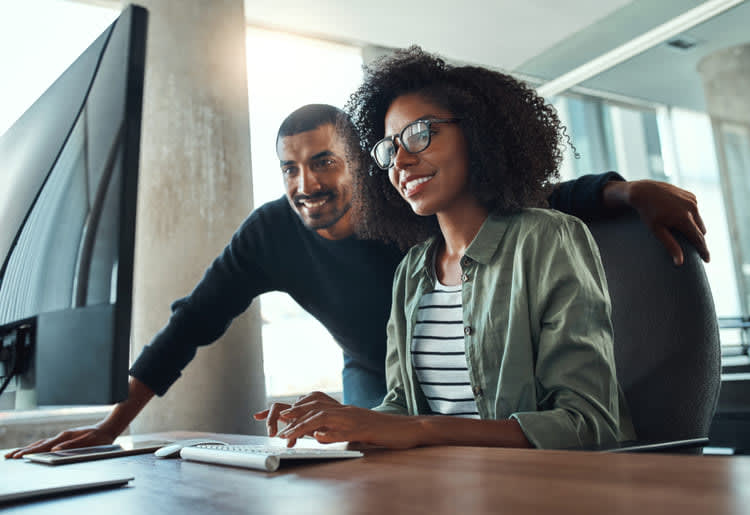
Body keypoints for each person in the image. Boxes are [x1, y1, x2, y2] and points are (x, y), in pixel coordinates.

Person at [6, 95, 703, 457]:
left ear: (358, 164)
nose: (306, 183)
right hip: (379, 374)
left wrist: (625, 189)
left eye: (324, 162)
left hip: (478, 373)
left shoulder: (406, 200)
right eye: (290, 168)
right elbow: (189, 324)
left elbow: (531, 199)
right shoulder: (270, 233)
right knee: (360, 469)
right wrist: (112, 424)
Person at [255, 47, 637, 450]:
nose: (400, 160)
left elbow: (589, 425)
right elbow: (403, 409)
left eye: (420, 134)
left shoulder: (548, 239)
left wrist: (425, 429)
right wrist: (342, 420)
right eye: (389, 148)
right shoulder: (412, 271)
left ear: (476, 132)